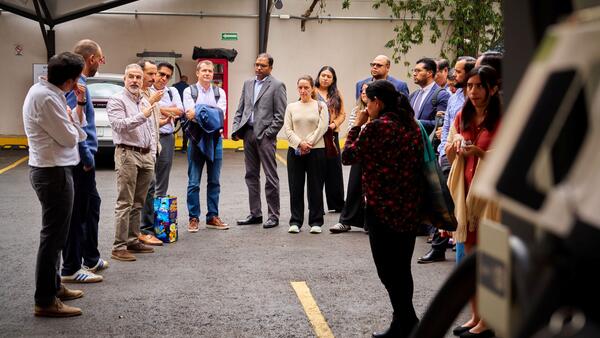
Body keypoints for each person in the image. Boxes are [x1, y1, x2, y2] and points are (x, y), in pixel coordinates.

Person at [342, 80, 423, 338]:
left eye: (367, 101)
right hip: (409, 207)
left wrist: (357, 125)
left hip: (383, 209)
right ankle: (401, 324)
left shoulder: (377, 128)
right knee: (402, 269)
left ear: (377, 102)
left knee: (387, 270)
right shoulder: (411, 125)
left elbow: (348, 157)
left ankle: (409, 322)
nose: (365, 106)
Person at [24, 52, 87, 317]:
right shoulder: (47, 98)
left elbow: (75, 125)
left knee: (57, 235)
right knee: (53, 237)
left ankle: (54, 285)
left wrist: (76, 113)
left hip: (55, 170)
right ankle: (45, 300)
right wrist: (73, 125)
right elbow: (69, 137)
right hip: (53, 172)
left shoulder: (49, 92)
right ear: (70, 81)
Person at [446, 65, 501, 338]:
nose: (473, 92)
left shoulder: (502, 118)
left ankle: (490, 320)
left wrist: (480, 151)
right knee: (470, 257)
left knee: (490, 258)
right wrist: (455, 145)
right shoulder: (461, 115)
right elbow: (450, 152)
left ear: (493, 88)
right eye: (469, 86)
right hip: (466, 194)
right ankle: (476, 316)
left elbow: (507, 157)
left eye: (479, 86)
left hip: (490, 197)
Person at [107, 63, 169, 262]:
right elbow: (119, 126)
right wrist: (144, 113)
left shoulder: (143, 99)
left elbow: (150, 128)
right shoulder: (117, 100)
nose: (134, 80)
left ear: (142, 81)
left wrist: (151, 153)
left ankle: (133, 240)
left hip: (145, 155)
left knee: (138, 202)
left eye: (138, 77)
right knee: (124, 202)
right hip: (127, 153)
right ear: (124, 79)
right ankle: (119, 247)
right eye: (131, 77)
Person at [418, 56, 476, 264]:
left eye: (459, 72)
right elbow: (448, 128)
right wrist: (443, 152)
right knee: (443, 202)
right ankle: (439, 247)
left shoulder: (474, 97)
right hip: (447, 155)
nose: (454, 75)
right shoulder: (455, 96)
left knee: (458, 207)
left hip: (467, 157)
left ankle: (446, 247)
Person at [60, 39, 108, 284]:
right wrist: (87, 157)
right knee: (77, 214)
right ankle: (70, 267)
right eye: (101, 58)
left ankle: (90, 257)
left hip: (83, 159)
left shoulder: (81, 83)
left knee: (92, 206)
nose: (103, 62)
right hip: (80, 161)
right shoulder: (77, 85)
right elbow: (76, 126)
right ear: (91, 59)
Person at [231, 53, 287, 229]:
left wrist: (268, 134)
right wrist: (236, 128)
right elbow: (241, 108)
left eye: (262, 65)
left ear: (270, 67)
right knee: (251, 175)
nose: (258, 68)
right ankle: (255, 213)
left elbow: (279, 115)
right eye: (256, 64)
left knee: (271, 176)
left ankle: (273, 216)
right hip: (248, 134)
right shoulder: (248, 83)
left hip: (265, 136)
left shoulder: (277, 85)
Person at [140, 62, 184, 243]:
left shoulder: (172, 92)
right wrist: (164, 109)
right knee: (148, 183)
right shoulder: (147, 92)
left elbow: (179, 111)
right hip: (150, 139)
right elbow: (146, 111)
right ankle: (145, 227)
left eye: (167, 75)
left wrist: (158, 108)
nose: (163, 78)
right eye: (160, 74)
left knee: (161, 184)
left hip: (166, 138)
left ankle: (159, 226)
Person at [183, 60, 229, 231]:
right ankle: (193, 218)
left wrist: (200, 110)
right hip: (196, 140)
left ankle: (212, 217)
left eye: (210, 71)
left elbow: (220, 116)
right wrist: (209, 111)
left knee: (214, 181)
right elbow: (189, 115)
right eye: (204, 70)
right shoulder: (190, 91)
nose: (207, 73)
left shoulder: (220, 92)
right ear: (197, 73)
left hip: (215, 141)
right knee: (194, 182)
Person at [283, 75, 329, 234]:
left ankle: (316, 221)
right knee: (295, 186)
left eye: (306, 87)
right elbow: (288, 129)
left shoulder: (320, 106)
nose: (303, 90)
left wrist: (308, 142)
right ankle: (295, 221)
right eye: (300, 88)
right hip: (295, 151)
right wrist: (299, 143)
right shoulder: (291, 107)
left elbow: (322, 128)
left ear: (312, 89)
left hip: (316, 150)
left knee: (315, 186)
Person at [330, 82, 370, 233]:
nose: (363, 93)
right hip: (360, 153)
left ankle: (369, 223)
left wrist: (362, 127)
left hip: (374, 156)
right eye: (362, 91)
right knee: (354, 187)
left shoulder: (380, 111)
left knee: (372, 191)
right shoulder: (357, 110)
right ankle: (345, 221)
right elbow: (351, 130)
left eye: (367, 91)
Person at [315, 66, 345, 212]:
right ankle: (317, 205)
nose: (325, 78)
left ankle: (337, 204)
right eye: (323, 75)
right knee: (318, 169)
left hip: (332, 134)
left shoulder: (336, 94)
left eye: (329, 76)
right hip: (316, 135)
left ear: (333, 80)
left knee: (334, 169)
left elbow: (342, 114)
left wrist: (334, 124)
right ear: (318, 77)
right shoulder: (311, 91)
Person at [409, 57, 450, 134]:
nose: (414, 74)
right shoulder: (413, 95)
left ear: (429, 73)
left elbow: (442, 124)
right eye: (414, 71)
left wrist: (417, 122)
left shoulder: (442, 95)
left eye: (418, 71)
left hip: (428, 142)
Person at [173, 75, 190, 152]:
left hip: (175, 110)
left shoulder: (174, 86)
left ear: (180, 79)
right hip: (184, 111)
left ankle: (171, 146)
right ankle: (184, 148)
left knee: (172, 129)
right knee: (185, 130)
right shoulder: (188, 87)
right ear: (186, 80)